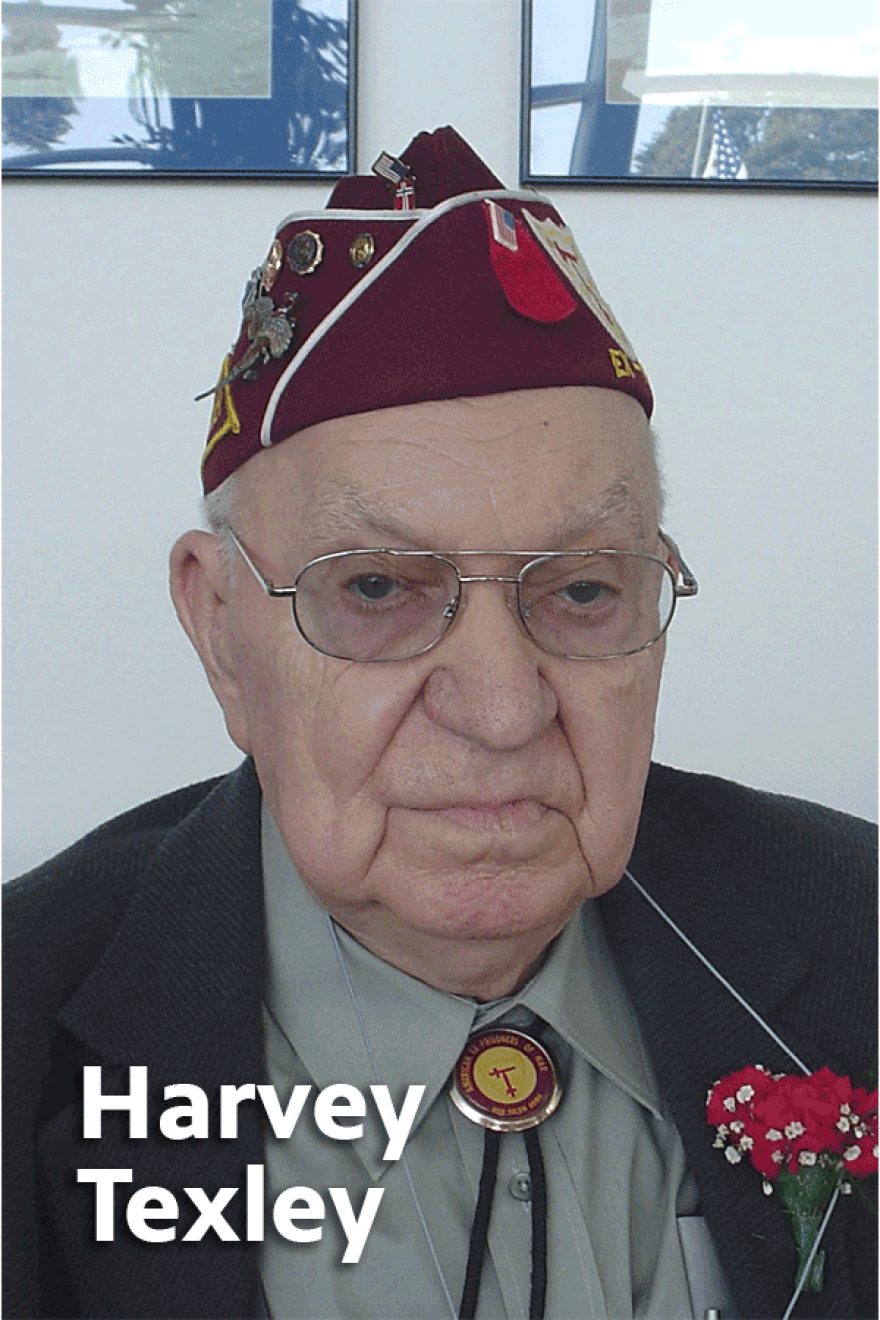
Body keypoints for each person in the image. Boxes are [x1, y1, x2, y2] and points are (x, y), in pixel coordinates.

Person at [4, 127, 876, 1320]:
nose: (503, 711)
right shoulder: (24, 1019)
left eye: (580, 590)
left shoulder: (858, 926)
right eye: (375, 589)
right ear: (220, 633)